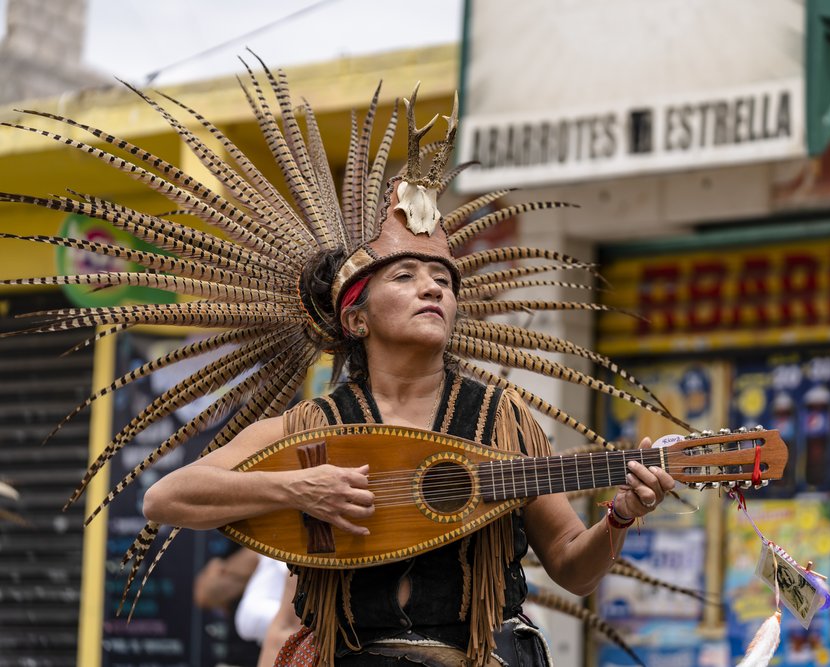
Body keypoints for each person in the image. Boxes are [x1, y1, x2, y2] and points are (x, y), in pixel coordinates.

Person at [4, 63, 685, 666]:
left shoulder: (502, 416)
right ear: (356, 318)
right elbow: (165, 497)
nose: (434, 288)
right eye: (409, 276)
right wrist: (299, 490)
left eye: (443, 280)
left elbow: (572, 565)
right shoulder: (312, 426)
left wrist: (620, 515)